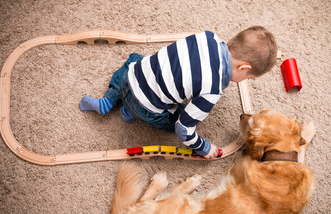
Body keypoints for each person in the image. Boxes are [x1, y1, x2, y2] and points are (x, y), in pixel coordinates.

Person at [79, 26, 278, 159]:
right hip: (146, 108)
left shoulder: (207, 36)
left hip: (129, 77)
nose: (245, 81)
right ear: (243, 68)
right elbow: (183, 130)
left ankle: (110, 98)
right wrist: (203, 147)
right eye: (248, 78)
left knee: (137, 60)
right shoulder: (212, 91)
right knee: (176, 117)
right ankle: (130, 112)